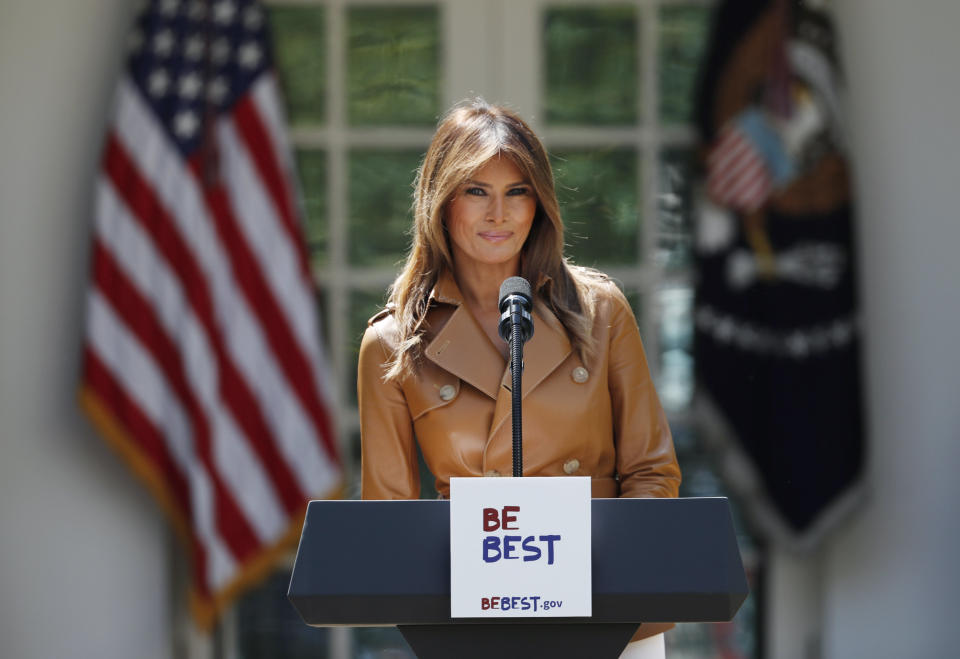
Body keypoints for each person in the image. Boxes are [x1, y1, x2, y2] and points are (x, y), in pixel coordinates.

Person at [357, 99, 681, 659]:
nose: (498, 214)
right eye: (475, 191)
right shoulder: (392, 343)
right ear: (441, 200)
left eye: (517, 192)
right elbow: (390, 525)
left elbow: (653, 473)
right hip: (472, 619)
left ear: (540, 204)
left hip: (611, 617)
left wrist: (604, 580)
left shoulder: (600, 310)